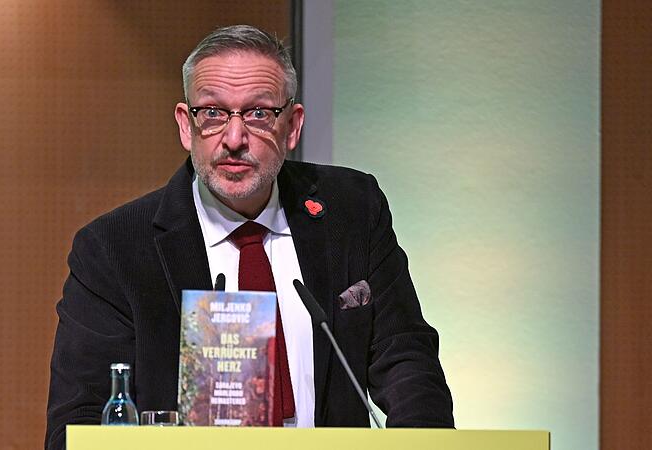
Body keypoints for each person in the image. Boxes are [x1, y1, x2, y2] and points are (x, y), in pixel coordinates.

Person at [45, 24, 453, 449]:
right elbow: (80, 421)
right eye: (213, 113)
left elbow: (405, 357)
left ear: (292, 127)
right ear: (186, 126)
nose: (234, 139)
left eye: (259, 113)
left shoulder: (352, 209)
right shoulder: (115, 249)